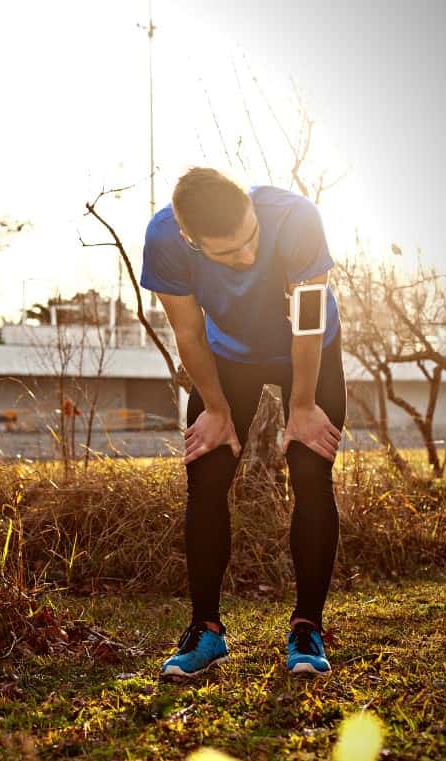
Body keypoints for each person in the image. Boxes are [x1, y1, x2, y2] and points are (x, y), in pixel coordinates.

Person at [139, 167, 346, 678]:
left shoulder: (296, 218)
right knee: (206, 474)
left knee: (311, 470)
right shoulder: (165, 237)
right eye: (227, 254)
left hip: (309, 349)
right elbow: (188, 331)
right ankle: (205, 632)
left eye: (250, 241)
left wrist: (301, 406)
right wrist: (215, 408)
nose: (247, 258)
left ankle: (307, 629)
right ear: (191, 240)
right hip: (228, 355)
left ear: (252, 212)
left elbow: (309, 318)